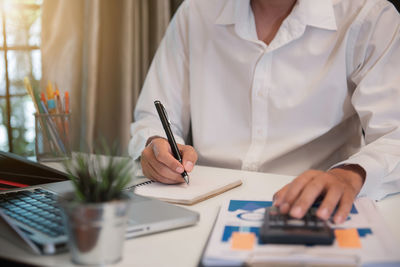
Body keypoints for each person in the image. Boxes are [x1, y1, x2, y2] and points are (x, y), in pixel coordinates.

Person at [129, 0, 400, 224]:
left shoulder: (369, 16)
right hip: (200, 204)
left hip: (312, 210)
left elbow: (395, 135)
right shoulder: (195, 11)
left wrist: (349, 175)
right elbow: (152, 118)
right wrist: (157, 145)